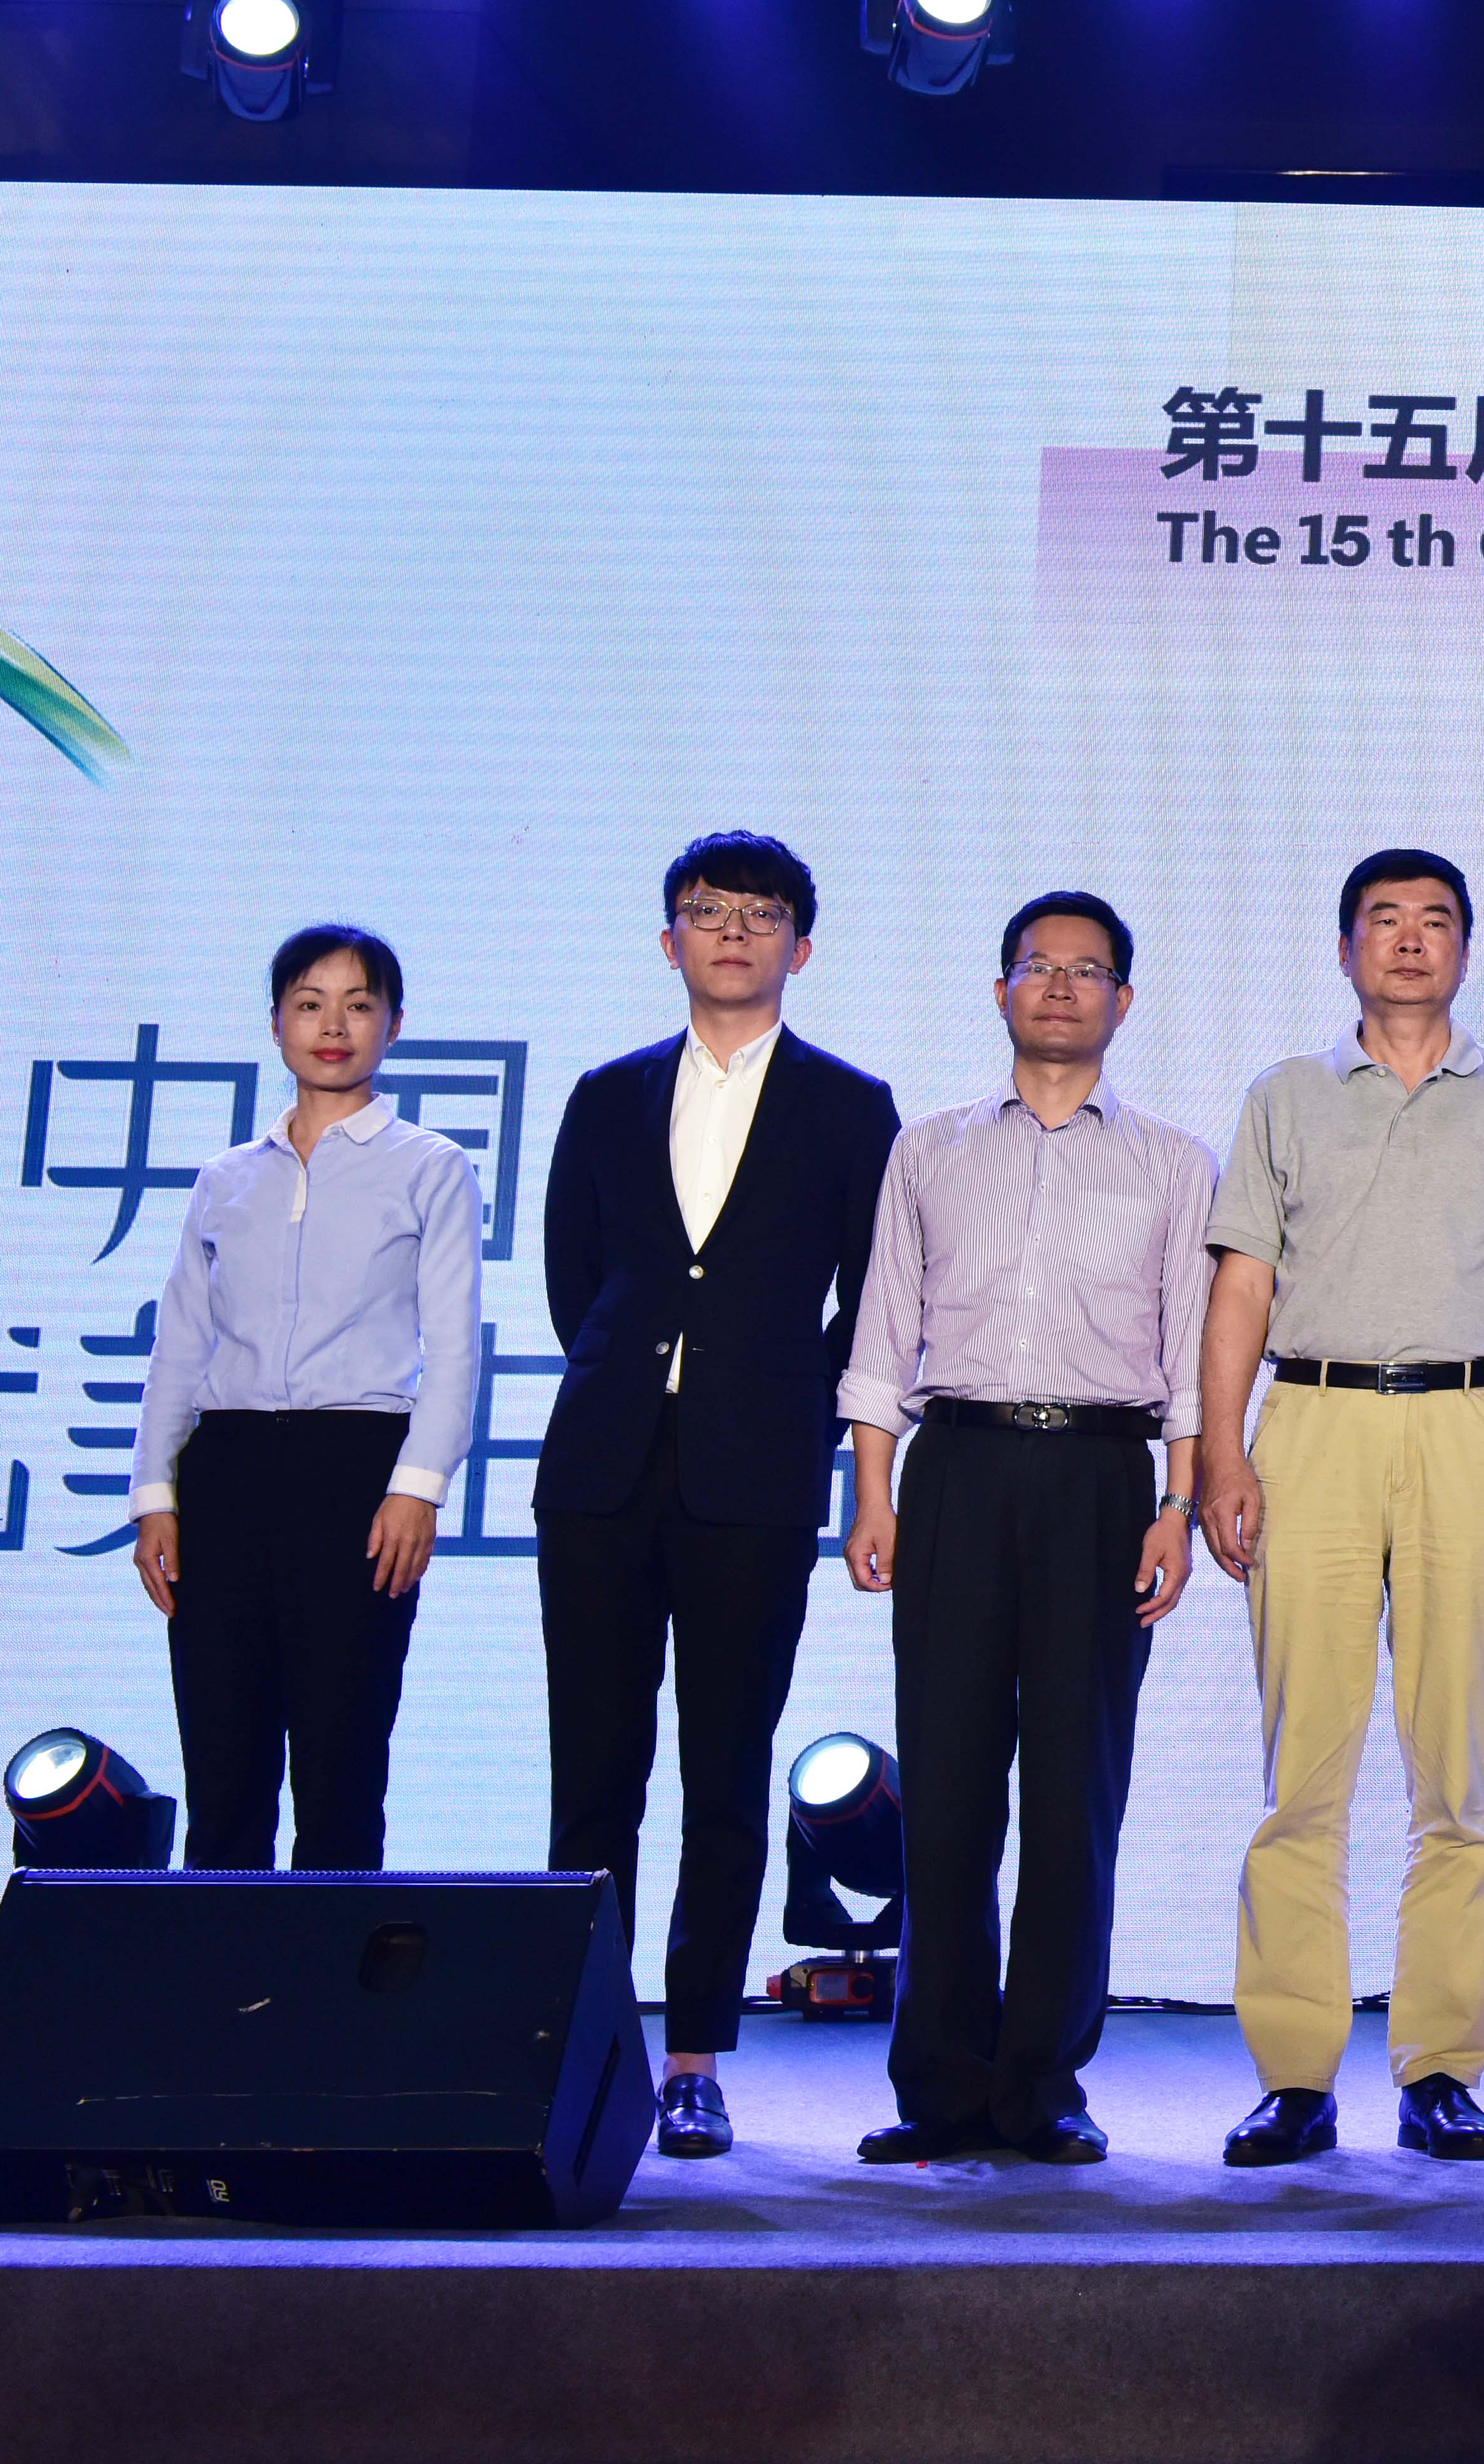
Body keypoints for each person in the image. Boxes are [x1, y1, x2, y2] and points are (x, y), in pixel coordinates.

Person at [1191, 849, 1484, 2166]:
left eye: (1435, 923)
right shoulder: (1285, 1095)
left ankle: (1439, 2066)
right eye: (1384, 920)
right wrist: (1222, 1457)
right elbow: (1242, 1287)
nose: (1410, 941)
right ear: (1344, 947)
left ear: (1466, 949)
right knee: (1302, 1769)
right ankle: (1295, 2074)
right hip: (1312, 1420)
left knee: (1457, 1773)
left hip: (1472, 1423)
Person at [537, 831, 900, 2162]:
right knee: (594, 1773)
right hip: (601, 1469)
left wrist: (792, 1401)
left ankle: (692, 2056)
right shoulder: (607, 1093)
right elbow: (575, 1275)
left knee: (726, 1773)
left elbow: (877, 1294)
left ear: (801, 944)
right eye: (707, 909)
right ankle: (585, 2048)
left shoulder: (851, 1106)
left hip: (756, 1474)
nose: (733, 931)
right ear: (669, 938)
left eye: (760, 913)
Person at [838, 892, 1216, 2169]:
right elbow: (883, 1334)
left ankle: (1045, 2079)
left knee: (1074, 1791)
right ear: (999, 990)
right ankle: (940, 2082)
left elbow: (1191, 1359)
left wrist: (1177, 1506)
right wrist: (875, 1491)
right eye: (1036, 966)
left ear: (1123, 1000)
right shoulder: (930, 1150)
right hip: (955, 1465)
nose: (1059, 986)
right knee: (943, 1787)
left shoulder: (1173, 1163)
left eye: (1086, 970)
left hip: (1104, 1479)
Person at [128, 925, 480, 1872]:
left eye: (359, 1006)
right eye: (310, 1005)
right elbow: (180, 1347)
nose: (334, 1027)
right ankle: (221, 1966)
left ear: (394, 1026)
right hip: (227, 1471)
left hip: (355, 1469)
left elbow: (454, 1346)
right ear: (277, 1022)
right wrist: (156, 1497)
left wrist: (418, 1486)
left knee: (341, 1767)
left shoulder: (429, 1165)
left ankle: (334, 1971)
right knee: (223, 1771)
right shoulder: (227, 1179)